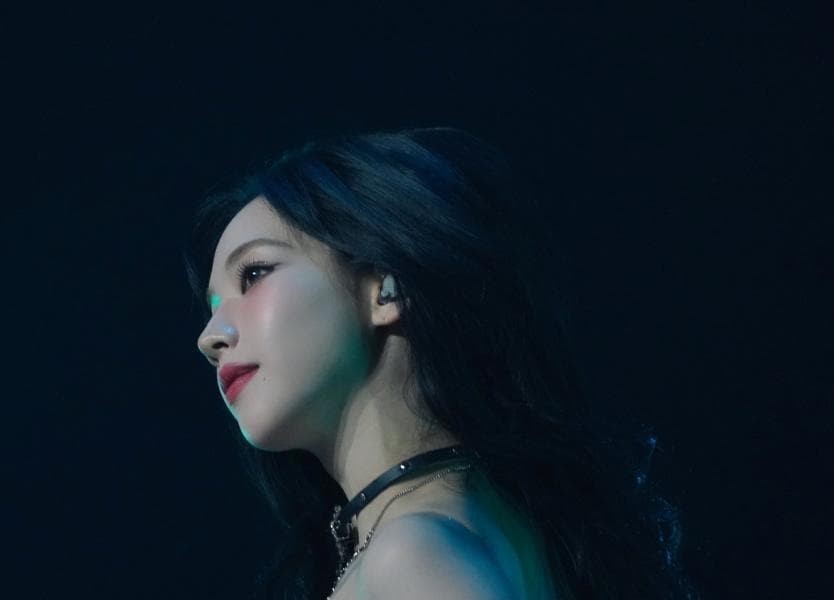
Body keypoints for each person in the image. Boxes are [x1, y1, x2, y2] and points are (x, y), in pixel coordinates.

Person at [185, 126, 699, 599]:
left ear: (386, 289)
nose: (211, 337)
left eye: (254, 274)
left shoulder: (410, 553)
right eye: (212, 307)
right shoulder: (480, 524)